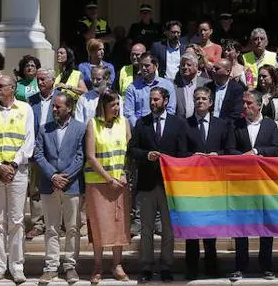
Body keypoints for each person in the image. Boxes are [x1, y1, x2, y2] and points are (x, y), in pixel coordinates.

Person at [129, 87, 189, 283]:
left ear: (166, 100)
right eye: (151, 100)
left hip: (169, 185)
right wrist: (147, 156)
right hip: (147, 184)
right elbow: (132, 150)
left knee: (168, 229)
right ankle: (146, 266)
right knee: (146, 228)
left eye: (156, 99)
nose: (152, 103)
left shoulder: (178, 124)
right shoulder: (142, 123)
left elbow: (182, 154)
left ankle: (166, 266)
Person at [0, 75, 34, 284]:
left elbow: (29, 140)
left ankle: (17, 266)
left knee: (17, 220)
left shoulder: (25, 109)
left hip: (17, 171)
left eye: (1, 86)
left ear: (12, 88)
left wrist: (12, 165)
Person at [226, 90, 278, 282]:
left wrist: (256, 151)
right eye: (244, 103)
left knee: (266, 225)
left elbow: (276, 149)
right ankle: (241, 266)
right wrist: (243, 158)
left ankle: (266, 265)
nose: (245, 106)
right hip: (242, 184)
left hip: (265, 184)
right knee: (241, 226)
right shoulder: (236, 125)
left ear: (259, 105)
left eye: (249, 103)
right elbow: (229, 150)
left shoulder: (270, 125)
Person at [33, 93, 86, 285]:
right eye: (54, 107)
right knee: (51, 228)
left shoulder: (80, 128)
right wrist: (53, 175)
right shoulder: (44, 128)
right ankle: (51, 267)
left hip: (72, 185)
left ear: (69, 108)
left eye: (58, 107)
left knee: (72, 227)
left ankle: (70, 266)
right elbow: (38, 153)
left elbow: (81, 156)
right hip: (49, 184)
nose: (54, 110)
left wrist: (66, 177)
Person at [84, 91, 132, 284]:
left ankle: (117, 264)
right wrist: (108, 178)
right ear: (103, 106)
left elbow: (129, 151)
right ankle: (97, 265)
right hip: (98, 182)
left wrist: (123, 174)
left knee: (119, 223)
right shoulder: (93, 124)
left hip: (120, 182)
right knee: (99, 224)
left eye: (118, 104)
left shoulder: (124, 123)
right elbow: (91, 155)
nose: (117, 108)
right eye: (113, 105)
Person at [184, 87, 232, 279]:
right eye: (197, 98)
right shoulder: (184, 124)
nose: (200, 101)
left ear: (211, 102)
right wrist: (192, 157)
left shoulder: (222, 125)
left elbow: (228, 150)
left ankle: (212, 266)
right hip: (191, 184)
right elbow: (179, 152)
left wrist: (217, 155)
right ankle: (191, 268)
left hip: (214, 183)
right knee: (192, 227)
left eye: (204, 98)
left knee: (211, 227)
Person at [26, 69, 59, 240]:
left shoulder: (61, 98)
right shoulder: (31, 101)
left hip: (56, 148)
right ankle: (38, 224)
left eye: (43, 79)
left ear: (53, 80)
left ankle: (57, 223)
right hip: (36, 149)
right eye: (38, 80)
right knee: (36, 188)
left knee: (57, 187)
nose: (39, 83)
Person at [123, 52, 176, 126]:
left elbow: (170, 109)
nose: (143, 68)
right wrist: (140, 128)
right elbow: (129, 113)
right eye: (141, 66)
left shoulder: (167, 85)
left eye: (147, 66)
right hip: (140, 130)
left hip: (161, 128)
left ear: (156, 66)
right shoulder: (133, 88)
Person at [174, 52, 212, 119]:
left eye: (189, 65)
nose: (185, 67)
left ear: (196, 67)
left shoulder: (207, 84)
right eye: (183, 65)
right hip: (180, 125)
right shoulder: (173, 85)